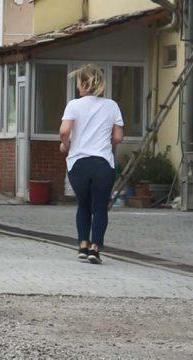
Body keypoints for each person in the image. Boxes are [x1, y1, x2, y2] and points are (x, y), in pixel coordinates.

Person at [59, 64, 124, 264]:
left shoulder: (73, 105)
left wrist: (65, 145)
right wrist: (107, 144)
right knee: (100, 207)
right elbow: (118, 137)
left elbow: (64, 131)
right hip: (103, 163)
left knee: (84, 205)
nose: (77, 86)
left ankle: (82, 246)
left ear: (83, 84)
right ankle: (95, 249)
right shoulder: (112, 105)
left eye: (78, 81)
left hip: (78, 164)